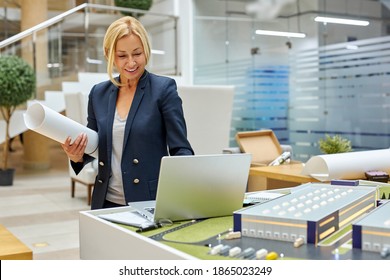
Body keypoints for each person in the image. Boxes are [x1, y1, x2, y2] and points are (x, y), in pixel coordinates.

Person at [61, 16, 194, 210]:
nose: (131, 62)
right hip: (105, 203)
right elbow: (95, 145)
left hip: (150, 203)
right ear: (109, 55)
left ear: (146, 50)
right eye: (122, 56)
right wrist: (77, 155)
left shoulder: (163, 89)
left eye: (137, 53)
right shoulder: (98, 93)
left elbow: (181, 148)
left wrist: (185, 185)